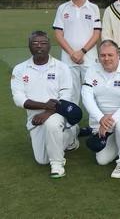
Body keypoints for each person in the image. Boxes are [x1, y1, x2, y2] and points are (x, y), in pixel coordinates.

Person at [11, 31, 77, 178]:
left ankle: (57, 164)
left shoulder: (61, 67)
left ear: (49, 46)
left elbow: (66, 95)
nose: (39, 46)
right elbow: (19, 99)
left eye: (43, 43)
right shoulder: (20, 69)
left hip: (57, 113)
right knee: (42, 160)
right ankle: (70, 135)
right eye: (35, 43)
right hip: (34, 117)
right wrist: (44, 106)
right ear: (29, 46)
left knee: (52, 124)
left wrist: (48, 112)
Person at [82, 40, 120, 178]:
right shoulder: (92, 70)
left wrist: (111, 120)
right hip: (103, 120)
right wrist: (100, 118)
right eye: (103, 55)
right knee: (102, 160)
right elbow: (86, 97)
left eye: (110, 55)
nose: (106, 59)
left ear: (118, 55)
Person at [53, 0, 101, 137]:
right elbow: (58, 34)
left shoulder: (93, 8)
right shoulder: (63, 8)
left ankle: (95, 127)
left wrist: (82, 51)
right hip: (68, 59)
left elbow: (96, 34)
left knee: (92, 92)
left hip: (89, 57)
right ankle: (70, 129)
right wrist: (72, 52)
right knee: (70, 94)